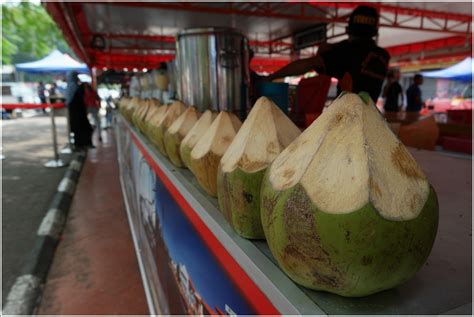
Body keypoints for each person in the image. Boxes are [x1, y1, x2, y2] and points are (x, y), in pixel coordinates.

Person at [267, 5, 390, 102]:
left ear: (348, 30)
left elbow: (309, 63)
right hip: (372, 119)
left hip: (347, 119)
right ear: (375, 32)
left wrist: (271, 77)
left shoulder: (345, 51)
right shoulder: (383, 56)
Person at [69, 82, 93, 149]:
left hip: (80, 118)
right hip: (78, 118)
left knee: (86, 130)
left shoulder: (79, 95)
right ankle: (81, 145)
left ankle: (84, 144)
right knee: (82, 131)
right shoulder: (78, 95)